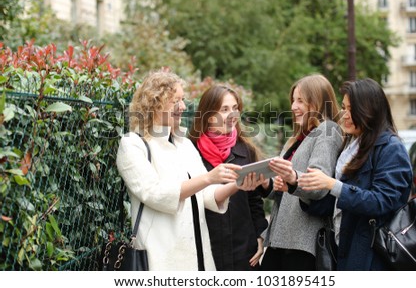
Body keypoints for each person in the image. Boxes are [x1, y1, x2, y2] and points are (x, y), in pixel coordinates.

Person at [116, 69, 252, 271]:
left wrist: (237, 184)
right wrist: (208, 178)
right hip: (162, 259)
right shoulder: (132, 145)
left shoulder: (185, 145)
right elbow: (155, 194)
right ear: (154, 104)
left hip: (199, 258)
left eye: (182, 100)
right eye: (175, 101)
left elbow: (206, 196)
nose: (182, 106)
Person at [297, 78, 412, 270]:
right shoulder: (352, 147)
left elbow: (381, 201)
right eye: (343, 107)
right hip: (345, 247)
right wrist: (296, 186)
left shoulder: (391, 148)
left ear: (369, 111)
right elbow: (336, 205)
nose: (345, 115)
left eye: (352, 109)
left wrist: (332, 184)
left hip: (373, 255)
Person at [259, 74, 343, 271]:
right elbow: (286, 190)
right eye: (293, 100)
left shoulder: (327, 131)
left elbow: (319, 185)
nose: (293, 106)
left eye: (300, 101)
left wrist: (293, 178)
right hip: (283, 238)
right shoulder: (300, 136)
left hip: (302, 242)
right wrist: (266, 184)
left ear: (317, 102)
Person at [188, 85, 268, 270]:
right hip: (206, 247)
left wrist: (260, 235)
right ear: (208, 115)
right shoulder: (189, 151)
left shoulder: (245, 150)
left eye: (235, 108)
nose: (232, 115)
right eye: (224, 110)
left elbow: (254, 200)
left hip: (244, 250)